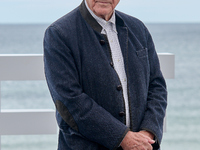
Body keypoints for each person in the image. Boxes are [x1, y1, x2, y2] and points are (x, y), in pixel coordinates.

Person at [43, 0, 167, 150]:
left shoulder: (138, 28)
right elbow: (69, 101)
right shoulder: (59, 34)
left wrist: (147, 134)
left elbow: (157, 86)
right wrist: (123, 137)